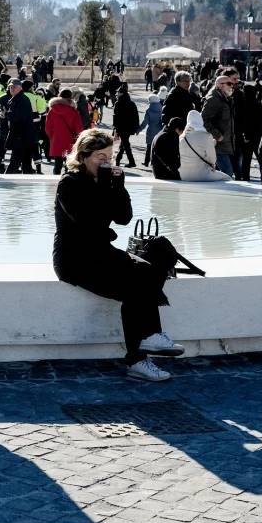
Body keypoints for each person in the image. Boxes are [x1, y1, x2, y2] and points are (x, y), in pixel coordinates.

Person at [53, 128, 182, 381]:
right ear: (84, 156)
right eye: (100, 155)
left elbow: (123, 218)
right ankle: (140, 355)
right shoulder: (70, 183)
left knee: (148, 270)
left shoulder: (105, 182)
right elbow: (88, 223)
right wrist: (104, 189)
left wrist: (119, 187)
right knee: (136, 286)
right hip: (74, 258)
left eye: (109, 155)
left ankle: (147, 343)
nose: (106, 160)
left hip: (100, 252)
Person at [199, 70, 238, 177]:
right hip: (217, 145)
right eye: (229, 84)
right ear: (220, 85)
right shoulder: (213, 99)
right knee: (227, 173)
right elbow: (204, 119)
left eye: (232, 84)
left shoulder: (225, 98)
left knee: (224, 173)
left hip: (225, 144)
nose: (232, 86)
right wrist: (217, 135)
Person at [178, 110, 230, 182]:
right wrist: (212, 144)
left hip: (184, 175)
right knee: (228, 178)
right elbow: (212, 159)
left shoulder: (181, 137)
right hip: (202, 174)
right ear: (200, 120)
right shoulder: (206, 136)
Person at [44, 91, 84, 175]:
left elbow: (47, 128)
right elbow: (79, 129)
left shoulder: (52, 110)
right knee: (69, 164)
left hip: (56, 140)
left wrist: (53, 137)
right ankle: (67, 181)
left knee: (57, 164)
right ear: (70, 98)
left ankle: (55, 181)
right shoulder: (73, 111)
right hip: (70, 140)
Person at [3, 78, 38, 174]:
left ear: (20, 88)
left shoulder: (21, 99)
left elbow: (20, 117)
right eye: (10, 87)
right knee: (25, 165)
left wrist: (6, 114)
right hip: (24, 137)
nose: (12, 89)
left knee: (15, 163)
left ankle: (5, 184)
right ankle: (27, 186)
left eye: (14, 87)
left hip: (21, 137)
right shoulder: (18, 99)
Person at [112, 83, 140, 168]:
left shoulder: (118, 103)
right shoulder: (132, 103)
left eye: (118, 93)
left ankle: (132, 161)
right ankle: (118, 160)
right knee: (124, 144)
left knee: (126, 144)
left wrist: (115, 128)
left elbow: (115, 117)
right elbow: (136, 116)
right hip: (129, 127)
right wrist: (136, 127)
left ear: (121, 93)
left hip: (121, 127)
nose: (117, 94)